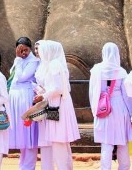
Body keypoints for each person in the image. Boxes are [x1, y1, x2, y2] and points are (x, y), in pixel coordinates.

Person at [33, 40, 80, 170]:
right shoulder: (54, 64)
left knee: (58, 140)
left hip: (57, 105)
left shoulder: (54, 65)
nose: (39, 52)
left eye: (41, 49)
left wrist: (43, 95)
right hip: (55, 105)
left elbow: (57, 88)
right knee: (60, 141)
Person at [88, 42, 132, 170]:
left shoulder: (97, 70)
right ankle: (124, 167)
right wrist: (131, 113)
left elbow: (92, 92)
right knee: (122, 142)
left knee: (106, 143)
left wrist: (94, 110)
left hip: (103, 107)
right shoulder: (121, 72)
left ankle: (105, 168)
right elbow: (127, 95)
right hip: (119, 107)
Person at [7, 37, 39, 170]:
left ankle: (29, 166)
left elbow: (21, 77)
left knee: (29, 133)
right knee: (22, 134)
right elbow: (13, 77)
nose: (24, 53)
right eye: (21, 50)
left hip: (26, 98)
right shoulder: (19, 60)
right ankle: (23, 165)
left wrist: (18, 59)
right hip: (17, 99)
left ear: (30, 48)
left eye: (25, 50)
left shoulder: (33, 61)